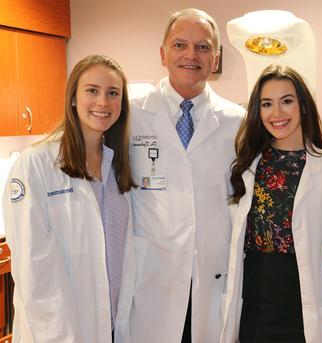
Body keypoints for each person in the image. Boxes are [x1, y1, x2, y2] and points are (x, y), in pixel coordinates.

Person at [128, 8, 245, 342]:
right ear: (163, 53)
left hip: (211, 278)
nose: (191, 55)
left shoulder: (238, 122)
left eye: (203, 47)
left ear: (216, 58)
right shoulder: (131, 115)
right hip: (151, 280)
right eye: (180, 45)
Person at [2, 54, 136, 342]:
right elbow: (34, 269)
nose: (103, 102)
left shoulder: (118, 166)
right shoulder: (35, 165)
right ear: (73, 97)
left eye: (113, 93)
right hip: (60, 331)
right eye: (92, 90)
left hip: (112, 328)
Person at [220, 64, 322, 343]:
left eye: (286, 101)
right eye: (267, 104)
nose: (276, 113)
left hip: (303, 304)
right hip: (254, 302)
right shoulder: (248, 165)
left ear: (302, 105)